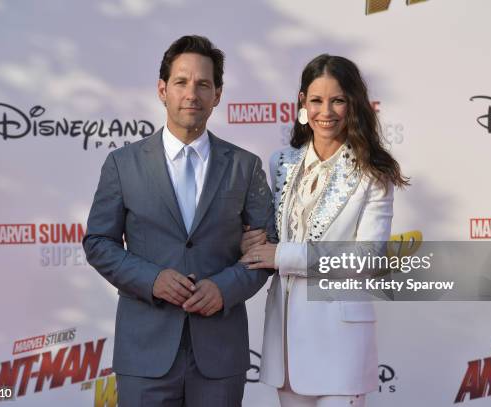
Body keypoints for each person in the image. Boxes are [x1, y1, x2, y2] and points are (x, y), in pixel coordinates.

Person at [83, 35, 275, 407]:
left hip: (219, 354)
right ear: (162, 89)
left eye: (204, 84)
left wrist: (225, 287)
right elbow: (98, 243)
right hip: (144, 354)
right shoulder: (123, 165)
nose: (192, 93)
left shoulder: (245, 167)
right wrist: (152, 279)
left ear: (218, 94)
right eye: (182, 82)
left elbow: (265, 252)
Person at [240, 54, 409, 407]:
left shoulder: (372, 173)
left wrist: (283, 255)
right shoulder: (282, 161)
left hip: (340, 343)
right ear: (302, 102)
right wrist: (253, 241)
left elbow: (367, 257)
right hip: (286, 342)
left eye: (338, 100)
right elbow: (275, 235)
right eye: (316, 100)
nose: (326, 111)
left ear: (353, 104)